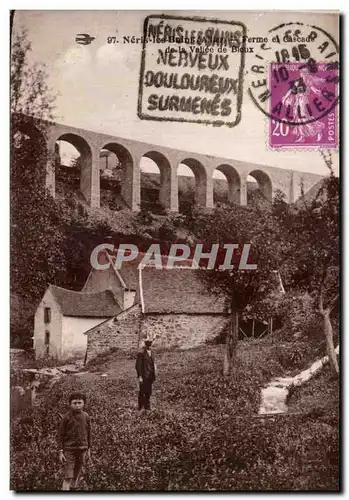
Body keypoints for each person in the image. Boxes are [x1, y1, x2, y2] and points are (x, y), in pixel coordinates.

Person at [58, 391, 91, 491]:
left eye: (79, 402)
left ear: (84, 403)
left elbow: (89, 433)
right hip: (69, 450)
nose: (77, 405)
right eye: (74, 403)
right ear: (70, 404)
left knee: (76, 474)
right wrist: (61, 451)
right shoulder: (66, 417)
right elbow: (60, 435)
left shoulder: (86, 416)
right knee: (68, 476)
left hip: (82, 449)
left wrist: (89, 449)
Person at [135, 337, 156, 411]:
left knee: (149, 392)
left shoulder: (152, 353)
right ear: (146, 345)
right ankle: (140, 406)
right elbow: (138, 366)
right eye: (148, 345)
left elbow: (152, 363)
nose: (150, 346)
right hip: (144, 375)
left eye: (151, 345)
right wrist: (140, 376)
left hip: (150, 375)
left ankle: (147, 406)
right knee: (142, 391)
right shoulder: (141, 354)